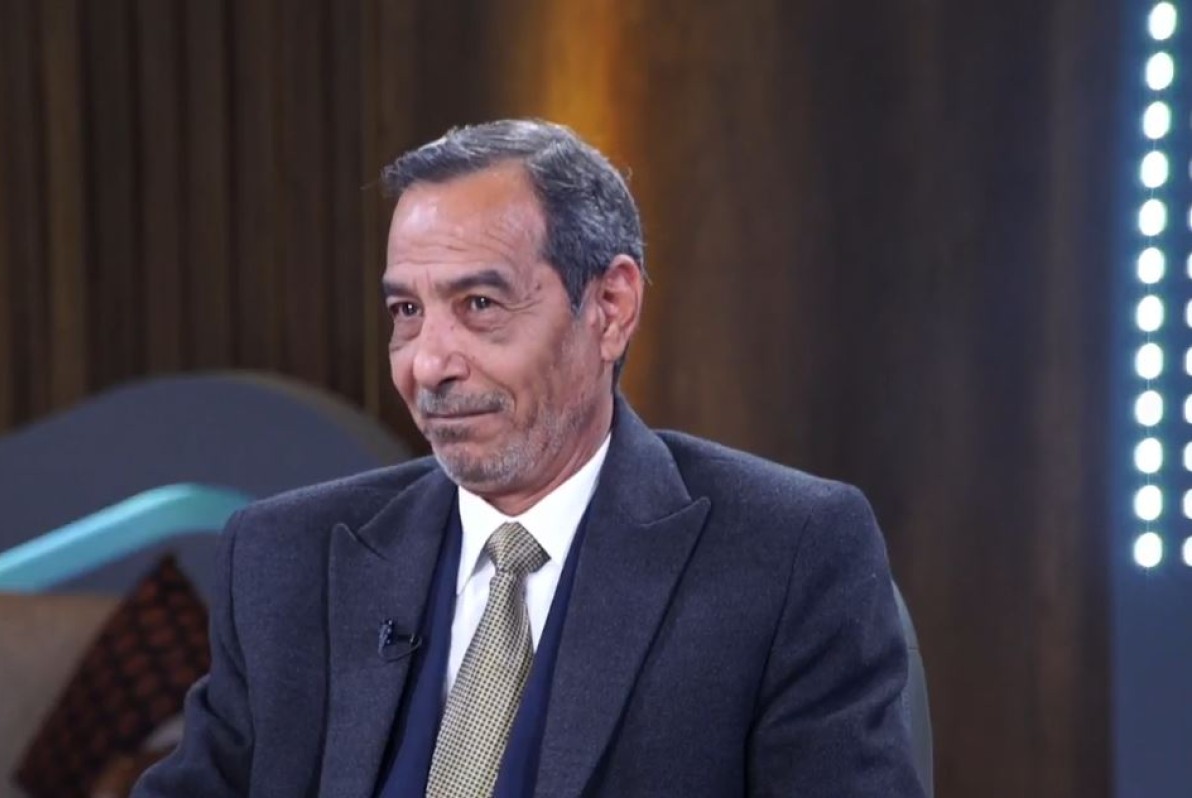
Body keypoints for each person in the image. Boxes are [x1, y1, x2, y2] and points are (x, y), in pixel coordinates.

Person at [134, 119, 923, 797]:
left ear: (610, 307)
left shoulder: (784, 556)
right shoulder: (285, 560)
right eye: (407, 311)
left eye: (479, 305)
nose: (428, 364)